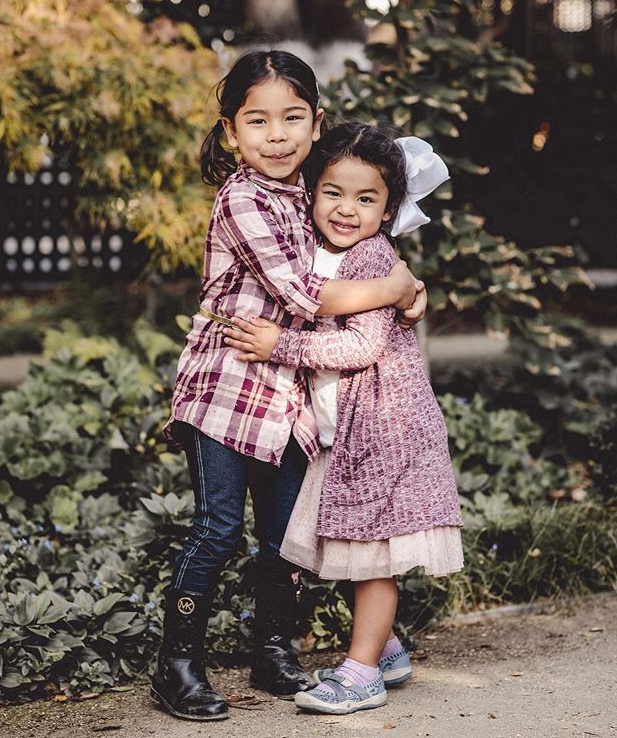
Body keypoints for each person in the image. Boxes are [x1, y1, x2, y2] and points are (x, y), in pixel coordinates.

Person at [151, 52, 427, 722]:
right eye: (258, 120)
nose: (277, 135)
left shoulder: (316, 188)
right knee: (218, 527)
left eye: (292, 118)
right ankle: (177, 664)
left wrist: (409, 284)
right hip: (227, 387)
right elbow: (303, 292)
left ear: (315, 122)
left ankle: (271, 648)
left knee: (281, 536)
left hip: (293, 394)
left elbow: (362, 233)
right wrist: (394, 288)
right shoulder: (241, 199)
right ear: (231, 132)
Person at [222, 123, 464, 715]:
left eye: (366, 199)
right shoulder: (311, 252)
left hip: (385, 428)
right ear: (311, 191)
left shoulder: (371, 256)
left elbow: (361, 348)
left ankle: (361, 674)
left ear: (388, 211)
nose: (347, 209)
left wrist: (280, 345)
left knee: (372, 556)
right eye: (334, 192)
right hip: (347, 431)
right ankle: (385, 650)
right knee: (347, 551)